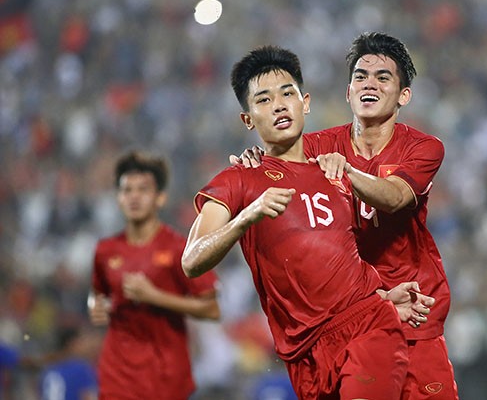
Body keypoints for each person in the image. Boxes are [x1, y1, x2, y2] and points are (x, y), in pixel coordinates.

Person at [182, 45, 436, 399]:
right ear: (247, 119)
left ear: (306, 102)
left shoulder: (336, 171)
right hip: (305, 354)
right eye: (264, 100)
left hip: (369, 327)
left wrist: (380, 300)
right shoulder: (238, 180)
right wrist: (247, 216)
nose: (280, 105)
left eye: (287, 93)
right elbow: (192, 261)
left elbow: (344, 260)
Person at [89, 150, 220, 400]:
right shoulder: (105, 251)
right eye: (127, 190)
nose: (134, 197)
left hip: (165, 375)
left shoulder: (179, 248)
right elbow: (98, 294)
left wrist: (154, 296)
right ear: (118, 198)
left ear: (160, 198)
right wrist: (95, 305)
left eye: (143, 190)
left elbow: (212, 309)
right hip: (117, 374)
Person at [39, 325, 100, 400]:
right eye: (82, 341)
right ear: (72, 344)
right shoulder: (81, 370)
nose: (87, 345)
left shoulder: (48, 371)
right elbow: (89, 397)